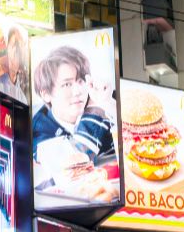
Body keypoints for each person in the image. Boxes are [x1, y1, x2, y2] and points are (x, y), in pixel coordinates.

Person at [31, 45, 118, 202]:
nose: (77, 91)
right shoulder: (37, 130)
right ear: (46, 94)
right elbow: (73, 166)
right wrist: (95, 109)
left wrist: (108, 103)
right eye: (67, 84)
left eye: (80, 81)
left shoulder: (101, 100)